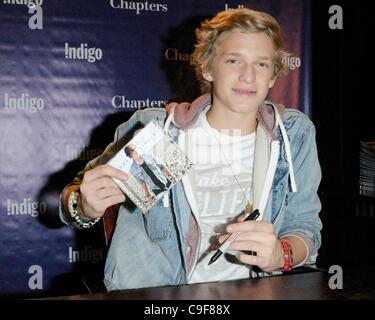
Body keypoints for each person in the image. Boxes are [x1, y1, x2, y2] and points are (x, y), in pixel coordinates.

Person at [60, 7, 322, 290]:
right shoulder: (156, 130)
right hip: (154, 295)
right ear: (208, 67)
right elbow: (71, 199)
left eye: (261, 64)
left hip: (253, 293)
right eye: (234, 60)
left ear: (273, 75)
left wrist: (279, 256)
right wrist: (84, 207)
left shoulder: (294, 134)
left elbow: (305, 229)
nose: (249, 76)